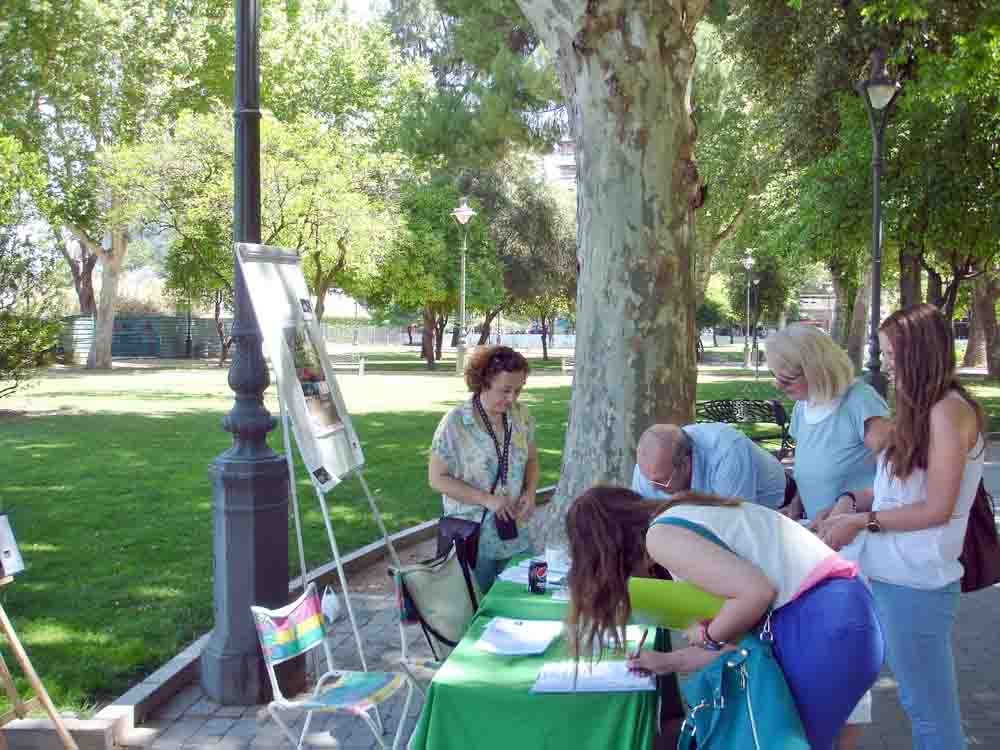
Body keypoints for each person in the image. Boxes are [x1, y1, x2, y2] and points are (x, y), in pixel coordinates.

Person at [564, 486, 884, 750]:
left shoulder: (660, 537)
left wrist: (709, 634)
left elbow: (755, 593)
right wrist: (668, 662)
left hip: (826, 628)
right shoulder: (683, 513)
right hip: (842, 620)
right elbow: (743, 646)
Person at [817, 304, 984, 750]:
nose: (885, 365)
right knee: (912, 700)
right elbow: (896, 490)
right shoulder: (921, 410)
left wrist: (860, 522)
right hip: (888, 574)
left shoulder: (948, 413)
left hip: (917, 582)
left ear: (918, 354)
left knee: (929, 710)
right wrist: (850, 501)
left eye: (891, 355)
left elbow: (936, 509)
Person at [429, 345, 544, 592]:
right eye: (505, 390)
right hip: (473, 537)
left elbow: (532, 461)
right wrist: (487, 500)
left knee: (524, 599)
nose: (512, 398)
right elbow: (437, 479)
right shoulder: (456, 423)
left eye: (518, 389)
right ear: (484, 382)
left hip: (516, 533)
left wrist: (531, 492)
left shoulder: (521, 415)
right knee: (478, 611)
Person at [765, 324, 890, 522]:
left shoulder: (860, 402)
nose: (778, 386)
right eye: (775, 376)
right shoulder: (802, 405)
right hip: (821, 533)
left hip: (860, 536)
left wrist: (851, 505)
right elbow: (808, 472)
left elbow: (897, 479)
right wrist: (796, 506)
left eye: (788, 379)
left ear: (818, 371)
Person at [631, 422, 788, 508]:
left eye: (662, 481)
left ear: (685, 463)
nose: (652, 488)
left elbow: (737, 528)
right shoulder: (649, 470)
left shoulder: (727, 453)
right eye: (647, 480)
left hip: (783, 508)